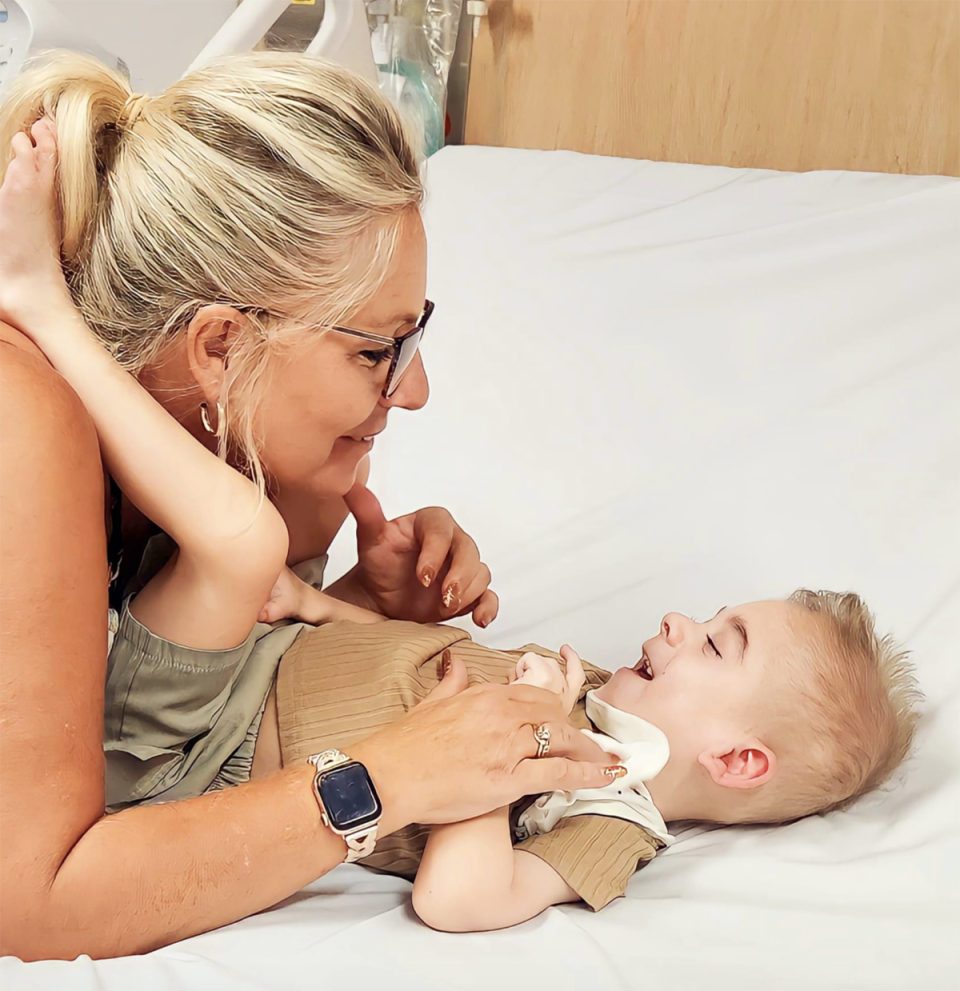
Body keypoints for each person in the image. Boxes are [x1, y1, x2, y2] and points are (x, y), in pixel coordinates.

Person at [0, 52, 618, 961]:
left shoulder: (252, 472)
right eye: (379, 350)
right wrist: (389, 778)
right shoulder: (25, 415)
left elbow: (211, 716)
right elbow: (29, 906)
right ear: (218, 346)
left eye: (416, 336)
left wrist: (363, 617)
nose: (415, 393)